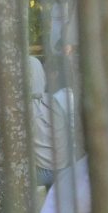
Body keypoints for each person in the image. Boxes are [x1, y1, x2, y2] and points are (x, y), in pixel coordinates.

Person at [29, 56, 75, 187]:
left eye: (46, 70)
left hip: (49, 170)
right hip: (65, 164)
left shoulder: (59, 99)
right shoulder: (54, 98)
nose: (43, 74)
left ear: (55, 74)